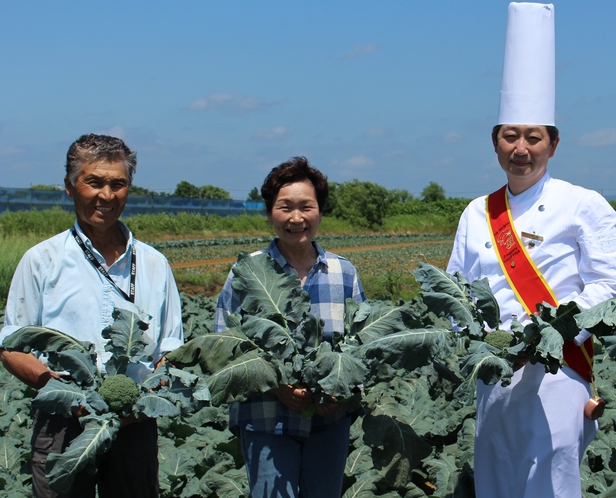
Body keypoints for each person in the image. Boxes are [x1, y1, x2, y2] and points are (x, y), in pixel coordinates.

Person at [446, 4, 616, 497]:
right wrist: (478, 341)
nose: (521, 148)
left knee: (553, 481)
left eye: (533, 137)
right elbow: (454, 293)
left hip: (559, 370)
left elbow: (611, 288)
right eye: (511, 136)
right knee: (496, 478)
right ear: (495, 142)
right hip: (493, 373)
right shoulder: (475, 212)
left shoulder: (583, 205)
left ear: (553, 142)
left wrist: (545, 332)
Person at [0, 134, 184, 498]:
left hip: (136, 423)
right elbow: (11, 345)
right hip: (63, 422)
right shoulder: (42, 260)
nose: (106, 195)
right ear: (70, 187)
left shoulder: (154, 264)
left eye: (118, 184)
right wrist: (64, 393)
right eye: (94, 182)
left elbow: (171, 350)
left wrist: (144, 399)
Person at [214, 157, 365, 498]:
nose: (296, 218)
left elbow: (361, 344)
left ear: (321, 211)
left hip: (329, 420)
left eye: (306, 207)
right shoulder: (247, 271)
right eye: (285, 207)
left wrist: (339, 391)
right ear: (269, 213)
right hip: (266, 419)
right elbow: (226, 342)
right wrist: (277, 385)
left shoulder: (343, 272)